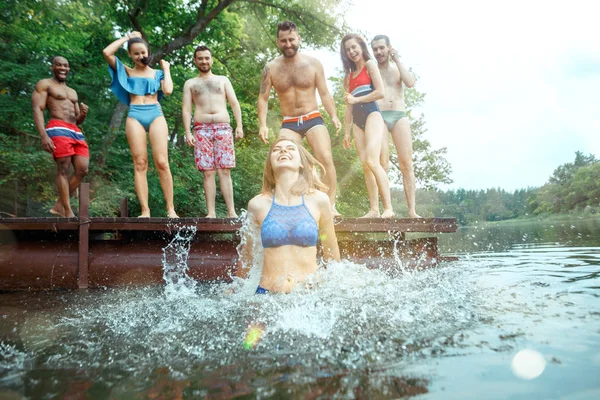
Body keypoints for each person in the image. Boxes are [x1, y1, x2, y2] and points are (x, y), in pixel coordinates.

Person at [258, 20, 342, 216]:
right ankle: (285, 203)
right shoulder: (270, 68)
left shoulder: (313, 63)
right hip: (289, 122)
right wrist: (262, 125)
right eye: (284, 40)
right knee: (279, 158)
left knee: (325, 157)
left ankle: (330, 205)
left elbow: (324, 93)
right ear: (278, 42)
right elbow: (262, 98)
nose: (288, 44)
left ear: (299, 39)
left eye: (292, 40)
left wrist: (334, 116)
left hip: (312, 117)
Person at [237, 137, 340, 294]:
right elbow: (247, 257)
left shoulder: (319, 200)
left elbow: (331, 252)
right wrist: (237, 288)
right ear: (270, 165)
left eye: (290, 148)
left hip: (310, 295)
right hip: (267, 295)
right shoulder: (257, 204)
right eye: (277, 150)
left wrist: (336, 290)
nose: (283, 150)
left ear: (301, 163)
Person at [102, 31, 178, 218]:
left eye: (143, 52)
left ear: (148, 52)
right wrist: (127, 38)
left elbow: (167, 90)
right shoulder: (126, 71)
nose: (140, 56)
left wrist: (167, 70)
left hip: (155, 114)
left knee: (162, 162)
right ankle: (145, 210)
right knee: (140, 163)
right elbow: (107, 53)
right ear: (130, 55)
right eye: (135, 53)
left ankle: (171, 209)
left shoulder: (158, 73)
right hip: (135, 115)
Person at [183, 46, 243, 218]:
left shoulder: (222, 80)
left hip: (223, 128)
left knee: (225, 170)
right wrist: (188, 132)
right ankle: (211, 213)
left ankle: (231, 212)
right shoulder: (191, 83)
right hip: (201, 130)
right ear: (195, 60)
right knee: (208, 172)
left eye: (207, 58)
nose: (204, 61)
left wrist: (239, 126)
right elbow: (186, 109)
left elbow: (234, 103)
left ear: (212, 59)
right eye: (200, 58)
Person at [341, 34, 395, 218]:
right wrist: (346, 132)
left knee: (373, 161)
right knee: (365, 166)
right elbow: (349, 105)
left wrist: (357, 99)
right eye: (348, 49)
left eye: (354, 47)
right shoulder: (348, 77)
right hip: (357, 120)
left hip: (372, 114)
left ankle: (388, 208)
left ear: (361, 46)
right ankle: (374, 209)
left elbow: (380, 92)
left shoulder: (370, 65)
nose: (352, 51)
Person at [32, 56, 89, 218]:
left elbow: (78, 119)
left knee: (82, 169)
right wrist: (43, 135)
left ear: (68, 69)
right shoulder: (45, 84)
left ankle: (58, 206)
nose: (63, 68)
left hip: (75, 130)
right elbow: (37, 109)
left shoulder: (72, 92)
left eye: (65, 66)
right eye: (59, 65)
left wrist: (83, 113)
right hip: (57, 127)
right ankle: (67, 210)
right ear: (52, 67)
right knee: (63, 169)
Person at [372, 35, 421, 218]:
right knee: (382, 163)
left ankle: (412, 211)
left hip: (399, 115)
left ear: (388, 48)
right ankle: (386, 209)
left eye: (381, 48)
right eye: (375, 49)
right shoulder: (372, 70)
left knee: (406, 163)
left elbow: (410, 83)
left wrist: (397, 58)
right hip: (380, 116)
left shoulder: (396, 68)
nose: (378, 52)